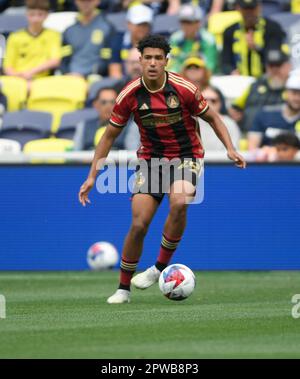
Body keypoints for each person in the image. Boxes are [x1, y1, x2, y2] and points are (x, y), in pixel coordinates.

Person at [78, 35, 246, 304]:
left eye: (158, 58)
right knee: (139, 223)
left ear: (166, 61)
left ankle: (158, 268)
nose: (153, 63)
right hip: (151, 160)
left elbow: (213, 117)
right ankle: (123, 288)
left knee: (179, 202)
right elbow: (108, 136)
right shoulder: (129, 95)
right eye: (148, 58)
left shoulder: (184, 89)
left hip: (186, 155)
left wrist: (230, 148)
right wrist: (91, 176)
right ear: (140, 61)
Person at [229, 48, 291, 132]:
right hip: (248, 134)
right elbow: (234, 107)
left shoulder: (294, 89)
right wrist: (234, 114)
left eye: (278, 65)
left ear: (288, 66)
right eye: (271, 66)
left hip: (281, 137)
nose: (275, 69)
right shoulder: (254, 85)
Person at [221, 0, 286, 77]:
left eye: (252, 8)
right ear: (238, 8)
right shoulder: (230, 31)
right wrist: (231, 71)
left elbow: (276, 58)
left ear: (259, 8)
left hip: (266, 78)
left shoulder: (272, 28)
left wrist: (256, 47)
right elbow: (225, 62)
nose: (249, 13)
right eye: (245, 9)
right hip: (239, 80)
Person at [3, 0, 61, 81]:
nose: (36, 19)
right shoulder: (15, 36)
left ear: (46, 15)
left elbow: (55, 60)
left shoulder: (53, 35)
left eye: (40, 15)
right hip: (16, 79)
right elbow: (7, 66)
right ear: (26, 14)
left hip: (42, 79)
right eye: (32, 14)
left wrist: (31, 72)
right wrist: (19, 75)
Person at [60, 0, 114, 78]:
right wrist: (67, 74)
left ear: (97, 1)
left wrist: (87, 75)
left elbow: (107, 59)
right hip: (71, 78)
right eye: (82, 1)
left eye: (89, 1)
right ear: (76, 2)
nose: (85, 4)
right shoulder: (68, 31)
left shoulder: (107, 27)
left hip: (96, 78)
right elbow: (64, 59)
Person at [248, 74, 300, 150]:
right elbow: (252, 149)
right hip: (266, 160)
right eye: (294, 93)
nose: (297, 98)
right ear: (286, 93)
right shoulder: (264, 114)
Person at [168, 3, 218, 73]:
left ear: (198, 23)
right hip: (179, 78)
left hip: (201, 79)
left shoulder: (208, 40)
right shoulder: (175, 39)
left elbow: (209, 67)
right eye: (183, 22)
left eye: (189, 22)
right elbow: (171, 63)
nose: (185, 25)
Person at [109, 4, 153, 79]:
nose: (142, 28)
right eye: (138, 24)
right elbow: (114, 70)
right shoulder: (118, 40)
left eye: (145, 24)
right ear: (129, 24)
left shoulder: (156, 44)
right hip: (123, 83)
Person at [198, 85, 241, 151]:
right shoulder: (191, 122)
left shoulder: (230, 123)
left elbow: (234, 149)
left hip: (221, 160)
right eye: (204, 100)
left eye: (213, 101)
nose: (208, 103)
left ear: (220, 103)